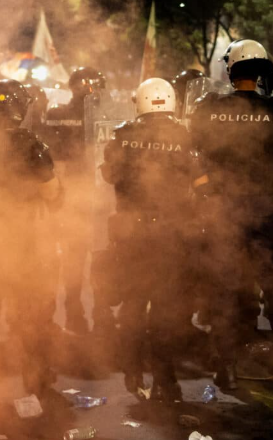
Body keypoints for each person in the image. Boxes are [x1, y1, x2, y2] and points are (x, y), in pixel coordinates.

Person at [101, 78, 209, 402]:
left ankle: (132, 370)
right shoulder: (184, 137)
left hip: (130, 234)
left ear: (140, 102)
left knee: (133, 304)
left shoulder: (122, 136)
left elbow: (108, 175)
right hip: (170, 235)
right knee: (165, 308)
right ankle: (165, 379)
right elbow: (202, 184)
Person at [190, 39, 273, 390]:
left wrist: (204, 188)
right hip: (267, 213)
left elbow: (192, 154)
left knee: (226, 290)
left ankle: (227, 368)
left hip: (223, 213)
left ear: (230, 68)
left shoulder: (209, 108)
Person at [0, 79, 62, 394]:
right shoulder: (32, 144)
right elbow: (53, 194)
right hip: (22, 242)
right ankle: (37, 382)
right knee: (32, 312)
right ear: (21, 108)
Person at [44, 67, 105, 334]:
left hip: (73, 193)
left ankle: (64, 314)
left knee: (71, 256)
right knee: (78, 256)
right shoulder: (96, 117)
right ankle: (77, 314)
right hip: (78, 193)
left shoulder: (58, 114)